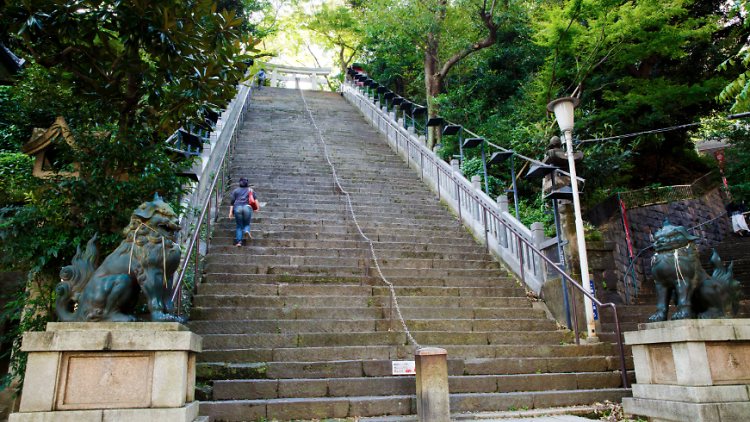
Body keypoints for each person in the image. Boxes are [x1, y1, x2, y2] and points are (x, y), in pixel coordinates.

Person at [229, 177, 257, 246]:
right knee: (246, 224)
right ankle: (247, 230)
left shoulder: (236, 191)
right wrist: (256, 208)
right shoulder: (250, 190)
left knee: (239, 226)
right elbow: (255, 200)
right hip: (247, 208)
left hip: (237, 208)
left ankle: (239, 242)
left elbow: (232, 203)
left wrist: (230, 213)